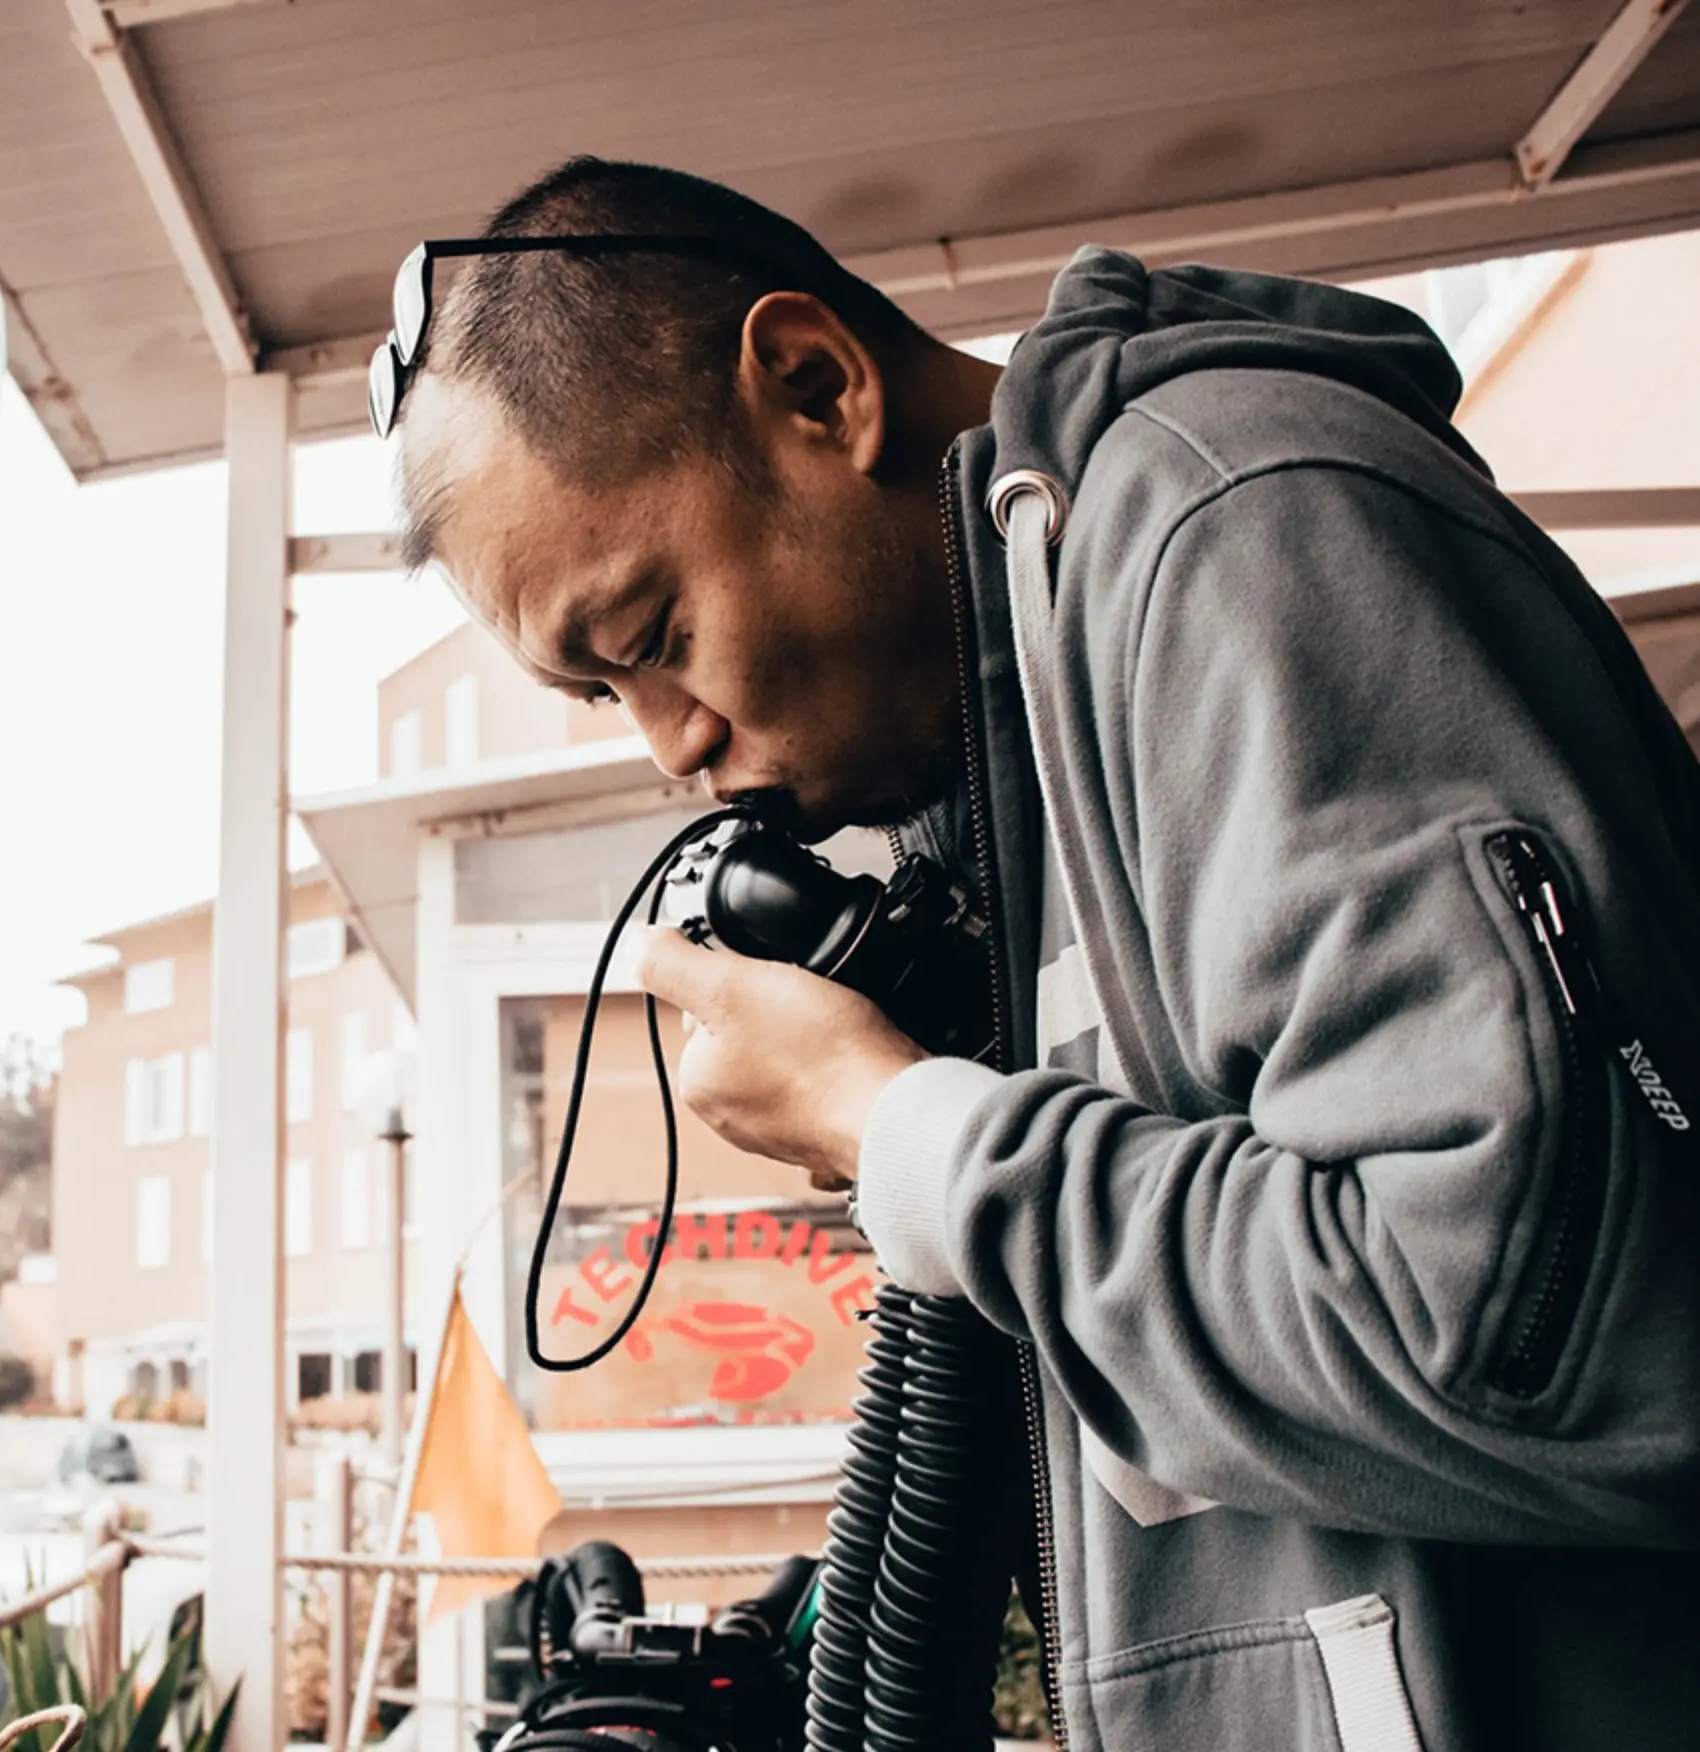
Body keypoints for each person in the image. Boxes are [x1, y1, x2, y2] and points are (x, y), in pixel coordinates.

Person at [385, 157, 1700, 1751]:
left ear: (817, 385)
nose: (672, 746)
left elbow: (1551, 1347)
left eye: (652, 636)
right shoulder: (1018, 721)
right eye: (604, 698)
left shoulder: (1246, 536)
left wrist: (913, 1137)